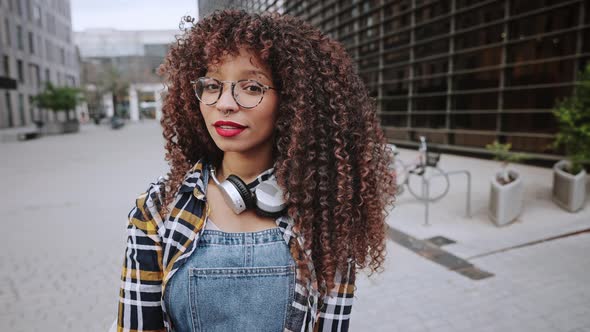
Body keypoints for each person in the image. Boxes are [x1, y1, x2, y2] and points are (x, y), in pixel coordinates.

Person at [117, 9, 396, 332]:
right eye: (211, 85)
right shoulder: (156, 210)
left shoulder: (328, 215)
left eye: (251, 87)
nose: (225, 103)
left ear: (293, 101)